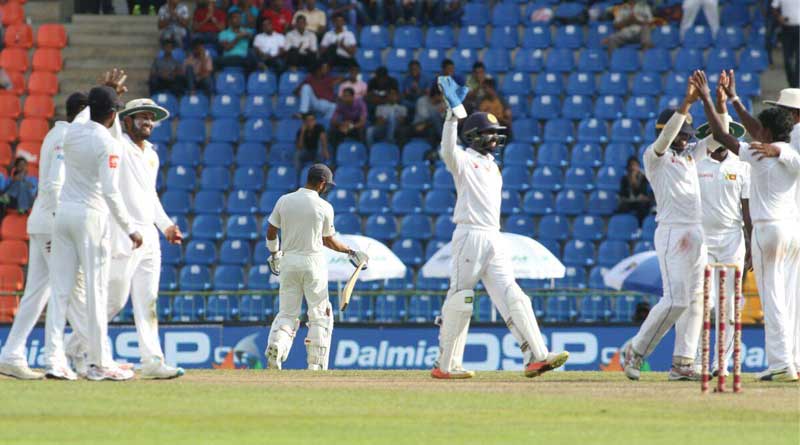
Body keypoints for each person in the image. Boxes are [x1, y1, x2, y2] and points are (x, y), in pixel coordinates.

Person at [432, 76, 570, 379]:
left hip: (493, 236)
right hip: (469, 234)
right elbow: (446, 149)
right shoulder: (463, 160)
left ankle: (536, 356)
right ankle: (446, 365)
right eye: (489, 134)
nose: (495, 139)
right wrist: (453, 114)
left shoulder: (492, 165)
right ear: (474, 137)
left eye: (496, 134)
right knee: (460, 298)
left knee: (514, 294)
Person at [693, 70, 800, 382]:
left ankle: (781, 364)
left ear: (765, 133)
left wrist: (708, 100)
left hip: (769, 230)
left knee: (773, 297)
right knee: (791, 297)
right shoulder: (791, 151)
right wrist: (735, 99)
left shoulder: (759, 153)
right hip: (793, 230)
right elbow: (773, 143)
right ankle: (792, 358)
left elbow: (722, 134)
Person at [45, 86, 143, 382]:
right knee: (96, 292)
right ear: (113, 114)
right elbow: (111, 193)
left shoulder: (71, 132)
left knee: (60, 291)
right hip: (91, 217)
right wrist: (130, 229)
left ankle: (53, 360)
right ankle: (99, 362)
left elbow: (87, 113)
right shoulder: (107, 143)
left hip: (64, 214)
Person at [621, 80, 717, 382]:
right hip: (672, 233)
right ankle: (635, 351)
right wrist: (687, 103)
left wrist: (715, 101)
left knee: (698, 300)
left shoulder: (690, 156)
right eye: (680, 135)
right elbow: (665, 140)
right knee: (675, 299)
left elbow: (716, 139)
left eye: (687, 135)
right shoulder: (655, 157)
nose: (685, 140)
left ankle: (683, 363)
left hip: (696, 233)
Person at [0, 92, 94, 380]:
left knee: (38, 293)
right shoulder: (65, 138)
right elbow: (54, 185)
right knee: (66, 291)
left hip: (43, 222)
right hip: (52, 224)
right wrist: (58, 225)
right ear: (81, 114)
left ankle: (12, 353)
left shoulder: (58, 135)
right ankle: (81, 355)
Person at [95, 98, 185, 379]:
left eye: (150, 118)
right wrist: (111, 93)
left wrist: (166, 226)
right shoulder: (117, 145)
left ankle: (153, 360)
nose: (147, 122)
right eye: (140, 117)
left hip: (149, 236)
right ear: (125, 121)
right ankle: (80, 347)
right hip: (123, 233)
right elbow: (106, 130)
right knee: (115, 300)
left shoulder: (152, 155)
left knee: (148, 300)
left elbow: (150, 195)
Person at [264, 164, 368, 370]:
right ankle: (316, 364)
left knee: (287, 314)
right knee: (320, 314)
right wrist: (351, 252)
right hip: (313, 263)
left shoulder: (284, 201)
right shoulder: (324, 207)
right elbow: (328, 241)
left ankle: (277, 345)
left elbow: (271, 231)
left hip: (288, 262)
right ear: (321, 184)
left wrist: (275, 253)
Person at [617, 156, 655, 222]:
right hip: (629, 201)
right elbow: (622, 194)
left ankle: (640, 227)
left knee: (642, 207)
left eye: (635, 165)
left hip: (639, 202)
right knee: (622, 208)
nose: (633, 168)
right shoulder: (624, 179)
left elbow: (642, 193)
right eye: (631, 165)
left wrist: (635, 183)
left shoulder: (643, 178)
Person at [771, 1, 799, 87]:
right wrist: (779, 17)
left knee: (799, 59)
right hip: (787, 29)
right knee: (787, 59)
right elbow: (774, 7)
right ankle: (792, 83)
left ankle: (796, 85)